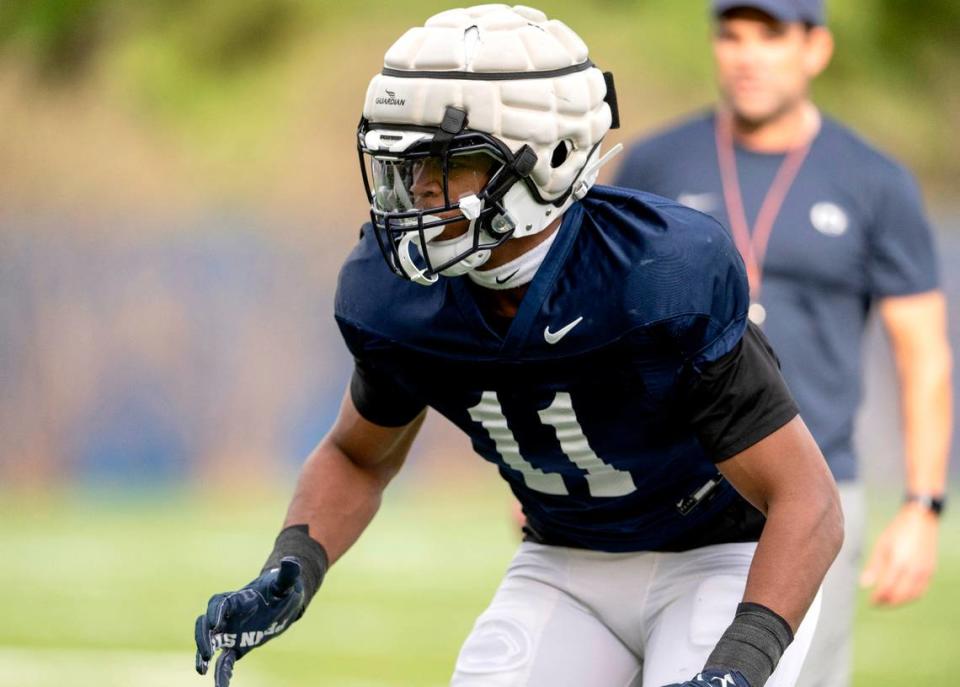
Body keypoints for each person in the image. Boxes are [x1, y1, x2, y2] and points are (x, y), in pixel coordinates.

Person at [193, 6, 843, 687]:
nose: (416, 188)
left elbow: (809, 502)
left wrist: (738, 666)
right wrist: (293, 562)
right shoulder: (392, 294)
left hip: (723, 555)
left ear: (551, 158)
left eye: (446, 161)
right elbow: (358, 456)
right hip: (565, 562)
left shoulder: (656, 274)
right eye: (406, 160)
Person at [612, 2, 953, 687]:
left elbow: (924, 352)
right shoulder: (654, 162)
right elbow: (605, 321)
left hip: (814, 485)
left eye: (770, 36)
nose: (747, 55)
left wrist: (922, 504)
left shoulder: (874, 180)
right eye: (732, 36)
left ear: (815, 49)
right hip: (667, 484)